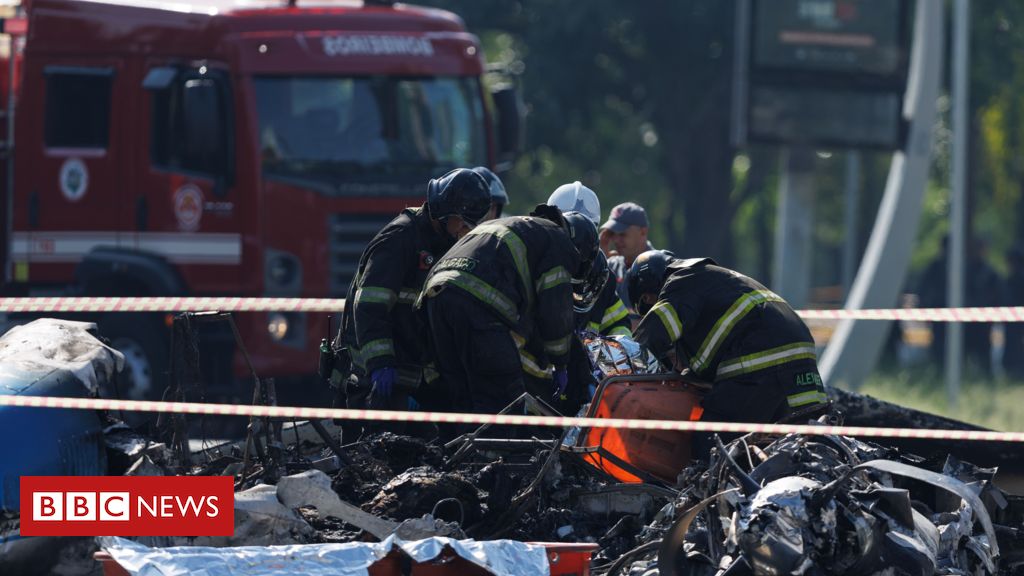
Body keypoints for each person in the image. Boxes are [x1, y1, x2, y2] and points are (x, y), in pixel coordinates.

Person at [627, 250, 827, 452]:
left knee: (711, 443)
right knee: (800, 448)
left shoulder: (681, 280)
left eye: (648, 302)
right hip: (802, 359)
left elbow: (653, 332)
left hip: (761, 360)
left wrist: (624, 362)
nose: (652, 305)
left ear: (648, 289)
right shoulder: (716, 279)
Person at [334, 168, 492, 420]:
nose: (465, 231)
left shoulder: (444, 244)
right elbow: (369, 306)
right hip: (372, 377)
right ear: (444, 211)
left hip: (413, 375)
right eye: (462, 223)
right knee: (371, 454)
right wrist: (380, 362)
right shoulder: (400, 238)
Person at [420, 206, 599, 417]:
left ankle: (457, 448)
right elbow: (555, 311)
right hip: (480, 308)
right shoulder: (558, 241)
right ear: (580, 252)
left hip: (433, 299)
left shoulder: (513, 227)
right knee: (504, 399)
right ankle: (495, 451)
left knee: (462, 394)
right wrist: (561, 364)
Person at [547, 182, 630, 337]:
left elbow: (618, 323)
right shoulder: (535, 262)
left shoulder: (602, 276)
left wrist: (620, 348)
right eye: (568, 229)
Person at [601, 202, 655, 313]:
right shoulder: (611, 266)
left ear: (643, 232)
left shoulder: (660, 269)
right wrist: (600, 256)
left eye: (622, 234)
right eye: (612, 234)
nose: (615, 240)